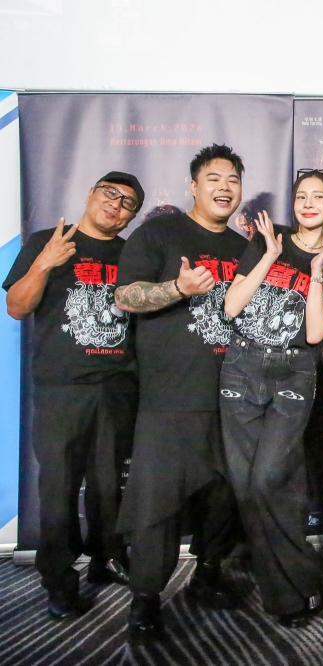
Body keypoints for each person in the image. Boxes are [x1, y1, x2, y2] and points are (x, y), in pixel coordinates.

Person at [114, 144, 248, 641]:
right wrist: (179, 288)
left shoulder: (244, 248)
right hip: (170, 399)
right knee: (157, 507)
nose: (224, 187)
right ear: (193, 186)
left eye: (233, 180)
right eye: (214, 178)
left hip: (234, 397)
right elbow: (125, 295)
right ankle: (145, 598)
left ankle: (208, 575)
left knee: (225, 499)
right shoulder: (159, 233)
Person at [4, 172, 143, 620]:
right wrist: (44, 264)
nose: (116, 205)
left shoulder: (132, 254)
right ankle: (59, 582)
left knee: (108, 486)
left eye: (127, 203)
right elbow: (17, 306)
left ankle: (107, 558)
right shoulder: (48, 241)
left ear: (131, 217)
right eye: (110, 193)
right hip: (62, 388)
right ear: (90, 194)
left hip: (117, 385)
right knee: (59, 488)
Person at [220, 170, 323, 626]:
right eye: (300, 196)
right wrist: (269, 256)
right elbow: (232, 306)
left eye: (318, 197)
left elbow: (316, 332)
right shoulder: (267, 240)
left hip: (295, 370)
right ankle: (291, 595)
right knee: (247, 487)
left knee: (267, 479)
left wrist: (316, 274)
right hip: (242, 365)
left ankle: (301, 581)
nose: (307, 204)